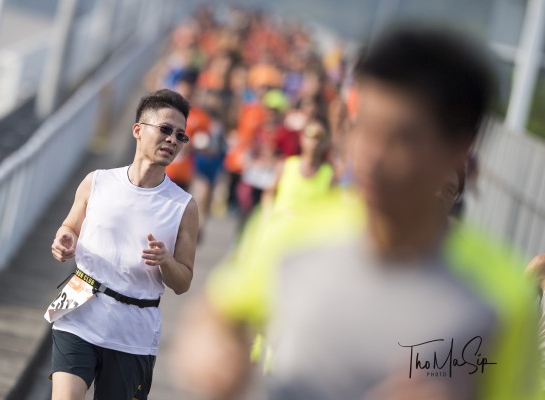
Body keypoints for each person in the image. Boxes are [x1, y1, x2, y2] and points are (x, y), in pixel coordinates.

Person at [171, 26, 541, 400]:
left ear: (458, 150)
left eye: (401, 139)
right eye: (365, 129)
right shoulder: (296, 233)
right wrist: (213, 350)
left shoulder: (502, 297)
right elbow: (219, 314)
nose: (372, 157)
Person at [47, 89, 199, 400]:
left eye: (180, 135)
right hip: (79, 311)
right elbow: (69, 227)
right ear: (138, 130)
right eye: (165, 129)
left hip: (133, 332)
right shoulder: (97, 181)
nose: (172, 140)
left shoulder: (183, 206)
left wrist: (166, 261)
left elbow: (183, 282)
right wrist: (64, 239)